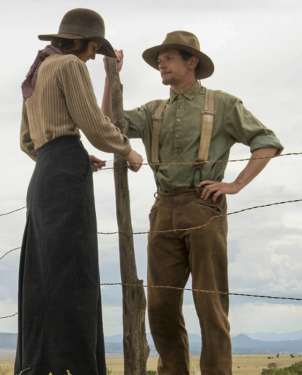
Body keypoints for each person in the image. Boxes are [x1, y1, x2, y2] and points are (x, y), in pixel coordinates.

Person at [101, 31, 283, 374]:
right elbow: (109, 122)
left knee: (210, 302)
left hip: (203, 205)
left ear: (191, 62)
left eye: (168, 58)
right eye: (159, 60)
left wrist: (236, 184)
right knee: (160, 305)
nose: (161, 64)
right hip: (162, 209)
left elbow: (267, 142)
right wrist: (112, 76)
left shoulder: (222, 103)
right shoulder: (154, 110)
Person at [16, 8, 144, 375]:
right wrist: (126, 149)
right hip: (66, 174)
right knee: (74, 272)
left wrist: (68, 154)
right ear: (83, 42)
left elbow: (27, 142)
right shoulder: (71, 65)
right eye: (93, 49)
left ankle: (40, 366)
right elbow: (93, 123)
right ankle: (75, 366)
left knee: (44, 273)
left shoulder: (38, 71)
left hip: (43, 174)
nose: (92, 56)